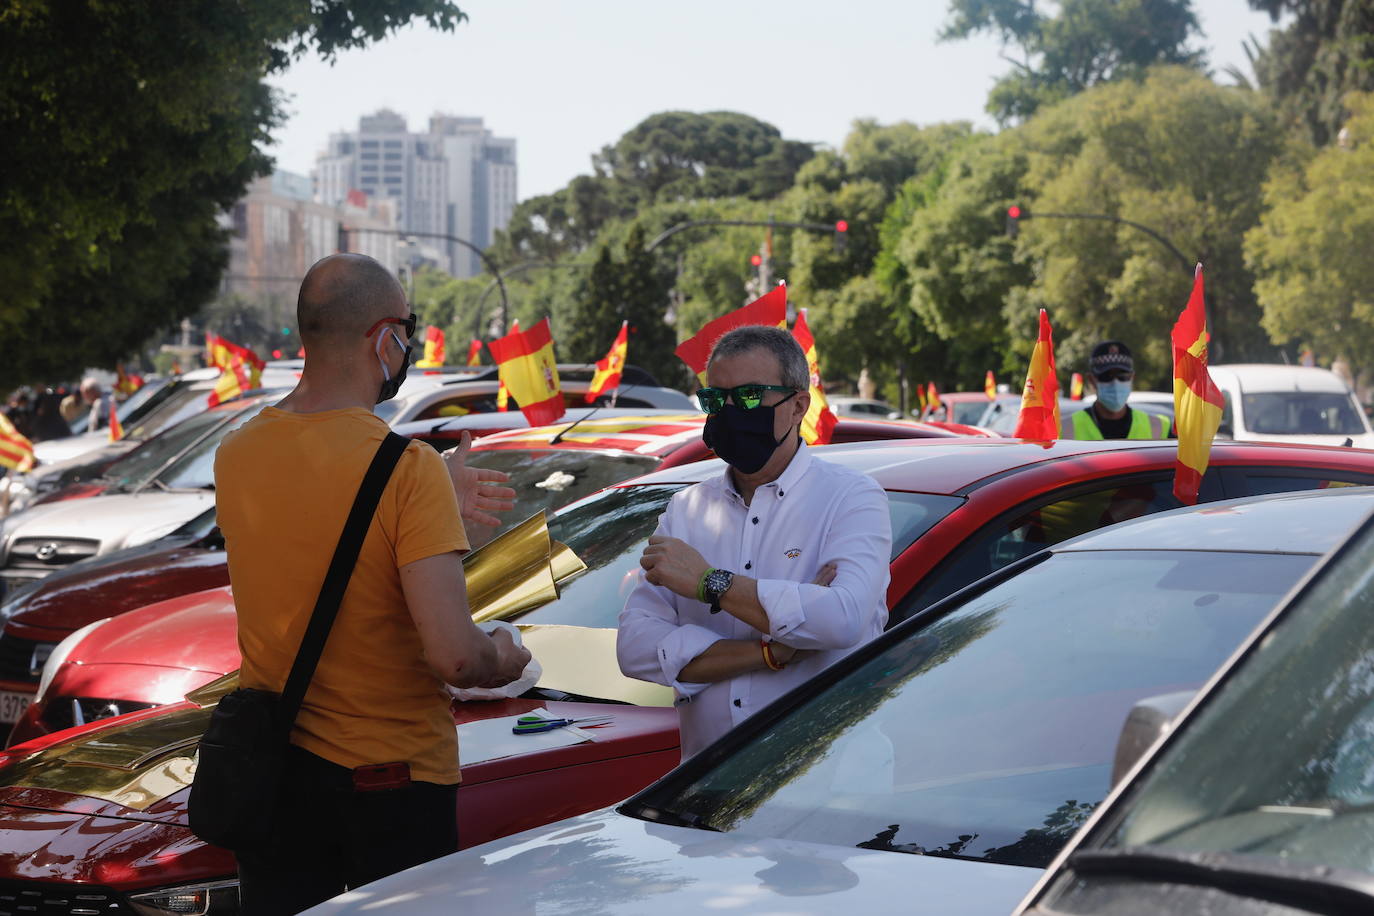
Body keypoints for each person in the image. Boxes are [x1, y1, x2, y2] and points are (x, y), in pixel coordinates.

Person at [214, 253, 530, 915]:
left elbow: (317, 542)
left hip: (276, 782)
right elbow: (455, 655)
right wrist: (504, 653)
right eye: (407, 332)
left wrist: (434, 500)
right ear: (384, 339)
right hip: (391, 788)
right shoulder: (405, 469)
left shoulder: (238, 451)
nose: (408, 347)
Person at [617, 326, 891, 759]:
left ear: (798, 405)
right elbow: (634, 649)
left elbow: (843, 619)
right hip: (707, 781)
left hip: (827, 785)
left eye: (748, 397)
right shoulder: (686, 510)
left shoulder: (851, 497)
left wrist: (711, 583)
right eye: (715, 399)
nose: (729, 411)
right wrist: (771, 652)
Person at [1061, 340, 1171, 440]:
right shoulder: (1065, 429)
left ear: (1132, 377)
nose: (1115, 382)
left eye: (1122, 375)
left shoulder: (1159, 427)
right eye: (1106, 376)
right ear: (1092, 380)